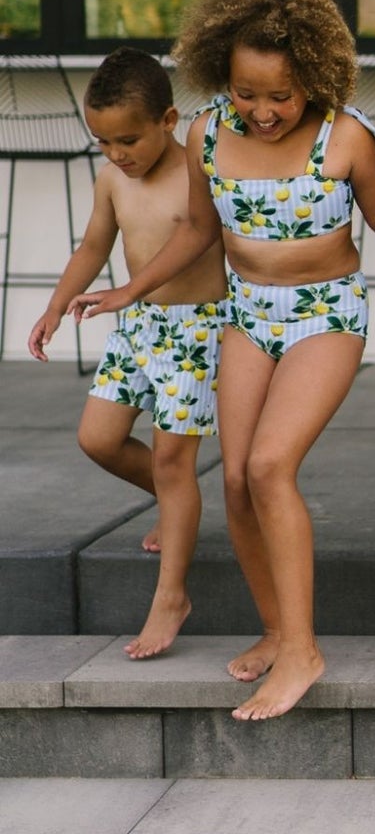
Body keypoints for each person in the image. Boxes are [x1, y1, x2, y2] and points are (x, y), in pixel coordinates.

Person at [70, 0, 375, 719]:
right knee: (230, 481)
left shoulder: (345, 137)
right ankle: (275, 630)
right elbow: (197, 227)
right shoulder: (206, 132)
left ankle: (303, 650)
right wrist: (130, 287)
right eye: (246, 92)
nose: (262, 111)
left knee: (267, 465)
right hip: (247, 312)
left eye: (280, 94)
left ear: (315, 78)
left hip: (325, 312)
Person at [28, 48, 227, 659]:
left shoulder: (198, 166)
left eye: (128, 139)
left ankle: (172, 596)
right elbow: (93, 245)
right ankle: (176, 504)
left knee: (173, 460)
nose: (117, 153)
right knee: (99, 439)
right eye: (103, 141)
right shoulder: (113, 177)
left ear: (168, 120)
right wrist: (56, 305)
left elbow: (205, 238)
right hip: (135, 325)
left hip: (197, 329)